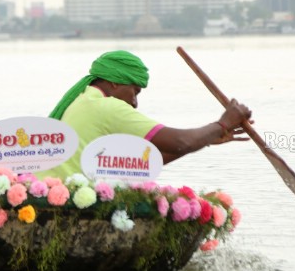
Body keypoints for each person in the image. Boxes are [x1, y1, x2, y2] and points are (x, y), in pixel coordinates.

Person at [43, 50, 251, 179]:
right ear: (115, 82)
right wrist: (224, 123)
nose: (134, 103)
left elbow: (140, 164)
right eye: (135, 91)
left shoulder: (84, 100)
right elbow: (181, 142)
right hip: (69, 198)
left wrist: (207, 138)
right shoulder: (106, 107)